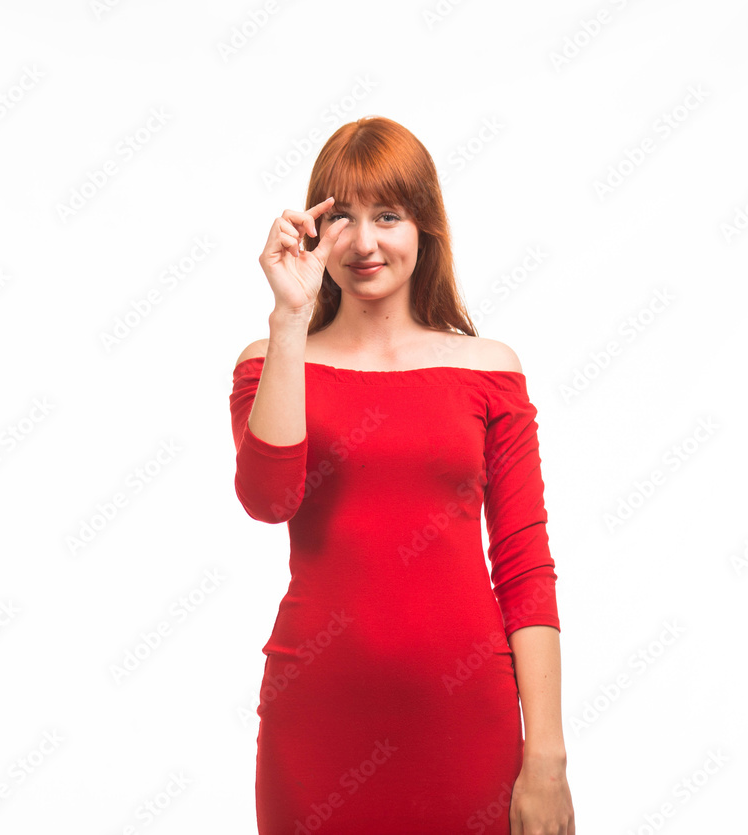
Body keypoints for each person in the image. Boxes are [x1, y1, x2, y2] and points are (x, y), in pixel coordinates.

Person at [229, 116, 575, 834]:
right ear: (314, 231)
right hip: (317, 723)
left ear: (424, 227)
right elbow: (269, 499)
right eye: (342, 217)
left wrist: (547, 757)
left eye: (388, 215)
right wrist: (290, 319)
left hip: (466, 721)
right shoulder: (272, 360)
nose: (364, 242)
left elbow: (524, 562)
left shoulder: (488, 370)